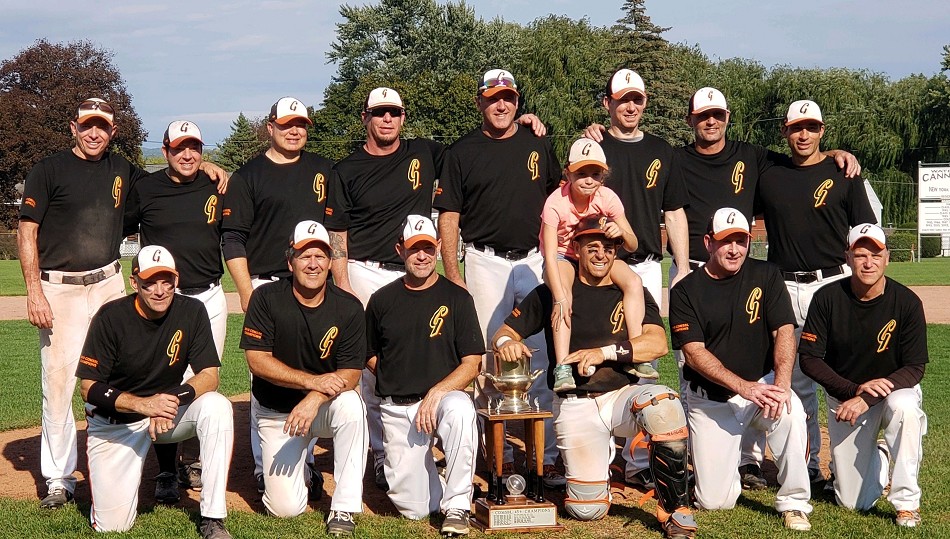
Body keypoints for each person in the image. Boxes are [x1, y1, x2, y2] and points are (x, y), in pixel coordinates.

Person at [17, 97, 226, 509]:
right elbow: (27, 231)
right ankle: (59, 478)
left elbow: (171, 172)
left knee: (131, 370)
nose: (94, 133)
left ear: (113, 132)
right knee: (59, 382)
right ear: (73, 128)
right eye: (87, 125)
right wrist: (34, 290)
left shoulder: (124, 171)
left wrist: (209, 166)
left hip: (111, 280)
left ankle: (118, 455)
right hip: (60, 285)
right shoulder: (49, 170)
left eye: (103, 127)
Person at [676, 87, 859, 490]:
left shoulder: (756, 157)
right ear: (690, 119)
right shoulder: (680, 158)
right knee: (725, 370)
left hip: (802, 279)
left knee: (805, 377)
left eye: (718, 115)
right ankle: (730, 460)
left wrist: (834, 155)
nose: (711, 121)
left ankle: (803, 465)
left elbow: (804, 162)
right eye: (797, 127)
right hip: (718, 274)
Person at [493, 214, 695, 539]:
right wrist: (505, 344)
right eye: (593, 246)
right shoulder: (554, 292)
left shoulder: (632, 290)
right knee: (587, 510)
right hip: (577, 404)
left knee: (664, 403)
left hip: (621, 398)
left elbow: (656, 343)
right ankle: (602, 470)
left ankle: (676, 509)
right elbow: (504, 332)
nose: (602, 254)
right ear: (576, 247)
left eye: (610, 247)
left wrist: (605, 353)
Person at [434, 68, 563, 487]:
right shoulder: (460, 152)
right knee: (491, 358)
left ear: (518, 102)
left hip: (534, 261)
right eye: (492, 98)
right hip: (485, 260)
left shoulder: (537, 143)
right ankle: (500, 459)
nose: (501, 105)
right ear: (479, 103)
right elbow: (449, 216)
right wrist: (453, 273)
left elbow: (557, 200)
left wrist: (559, 258)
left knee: (543, 356)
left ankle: (545, 459)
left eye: (507, 97)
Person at [221, 96, 343, 491]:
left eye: (302, 124)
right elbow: (233, 238)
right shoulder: (249, 175)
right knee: (267, 374)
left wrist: (339, 283)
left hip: (314, 281)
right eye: (287, 123)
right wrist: (246, 290)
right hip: (268, 283)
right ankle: (262, 464)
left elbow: (337, 232)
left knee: (312, 363)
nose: (295, 130)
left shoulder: (323, 170)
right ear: (270, 127)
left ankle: (305, 459)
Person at [328, 87, 445, 490]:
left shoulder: (425, 153)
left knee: (425, 352)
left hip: (416, 268)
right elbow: (337, 229)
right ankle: (378, 453)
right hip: (365, 270)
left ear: (403, 116)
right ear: (365, 118)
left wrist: (522, 123)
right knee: (369, 366)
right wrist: (342, 282)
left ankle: (423, 444)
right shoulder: (346, 168)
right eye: (379, 113)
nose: (387, 119)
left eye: (393, 112)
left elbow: (476, 151)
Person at [755, 100, 877, 485]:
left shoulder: (844, 172)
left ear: (823, 130)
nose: (803, 134)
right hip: (784, 285)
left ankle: (848, 468)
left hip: (834, 282)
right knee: (793, 381)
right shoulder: (770, 173)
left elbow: (865, 235)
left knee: (839, 377)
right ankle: (806, 467)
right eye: (796, 128)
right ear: (785, 132)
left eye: (811, 127)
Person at [668, 207, 812, 531]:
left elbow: (784, 331)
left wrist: (783, 384)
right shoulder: (685, 291)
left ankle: (795, 503)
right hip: (713, 398)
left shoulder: (767, 274)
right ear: (708, 242)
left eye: (741, 240)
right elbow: (693, 354)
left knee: (790, 411)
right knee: (715, 502)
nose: (734, 249)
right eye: (725, 241)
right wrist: (743, 387)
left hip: (762, 383)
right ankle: (717, 471)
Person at [76, 245, 234, 538]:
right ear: (134, 282)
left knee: (217, 407)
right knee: (113, 526)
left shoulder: (192, 311)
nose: (160, 290)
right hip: (116, 424)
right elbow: (88, 388)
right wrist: (143, 405)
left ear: (177, 280)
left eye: (167, 281)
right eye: (150, 282)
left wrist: (168, 402)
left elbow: (210, 377)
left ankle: (213, 517)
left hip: (164, 415)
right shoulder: (111, 317)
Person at [582, 68, 692, 488]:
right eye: (622, 98)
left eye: (637, 99)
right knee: (593, 345)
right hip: (598, 264)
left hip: (644, 263)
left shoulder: (663, 151)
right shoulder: (592, 145)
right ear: (607, 102)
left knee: (642, 357)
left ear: (644, 103)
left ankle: (636, 459)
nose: (630, 106)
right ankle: (597, 447)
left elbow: (674, 211)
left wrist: (680, 266)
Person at [240, 220, 367, 536]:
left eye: (321, 256)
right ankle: (306, 473)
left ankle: (344, 507)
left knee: (352, 406)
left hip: (322, 406)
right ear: (289, 261)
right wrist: (311, 382)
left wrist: (315, 397)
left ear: (330, 261)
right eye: (304, 255)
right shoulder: (266, 298)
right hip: (277, 412)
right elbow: (256, 360)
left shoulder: (348, 307)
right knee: (285, 510)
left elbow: (351, 373)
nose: (313, 264)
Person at [124, 120, 229, 501]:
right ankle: (167, 469)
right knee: (165, 379)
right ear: (165, 151)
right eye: (179, 148)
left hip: (209, 297)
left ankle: (196, 459)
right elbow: (116, 227)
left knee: (203, 379)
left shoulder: (216, 185)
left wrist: (220, 171)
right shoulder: (146, 188)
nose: (187, 155)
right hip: (162, 299)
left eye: (195, 148)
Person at [799, 223, 928, 528]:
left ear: (887, 258)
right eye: (860, 254)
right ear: (847, 257)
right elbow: (809, 359)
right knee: (853, 501)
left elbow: (914, 367)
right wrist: (854, 390)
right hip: (845, 396)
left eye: (876, 254)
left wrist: (866, 397)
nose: (868, 262)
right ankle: (881, 455)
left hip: (893, 391)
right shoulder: (827, 298)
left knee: (905, 409)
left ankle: (906, 503)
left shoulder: (907, 302)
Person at [365, 215, 482, 536]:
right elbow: (369, 354)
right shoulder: (381, 300)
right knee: (415, 509)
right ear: (400, 250)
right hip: (399, 406)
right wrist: (394, 374)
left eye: (428, 249)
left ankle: (458, 504)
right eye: (414, 248)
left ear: (438, 248)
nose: (422, 256)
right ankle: (439, 482)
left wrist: (436, 392)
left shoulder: (458, 298)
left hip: (442, 400)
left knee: (460, 408)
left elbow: (472, 364)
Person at [540, 136, 653, 393]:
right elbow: (548, 253)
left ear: (604, 175)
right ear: (568, 173)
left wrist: (621, 233)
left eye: (595, 173)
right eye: (581, 173)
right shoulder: (556, 202)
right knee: (564, 296)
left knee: (634, 282)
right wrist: (558, 295)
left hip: (595, 253)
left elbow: (633, 244)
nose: (589, 180)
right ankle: (562, 367)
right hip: (563, 255)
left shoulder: (608, 197)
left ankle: (634, 354)